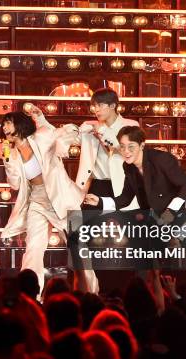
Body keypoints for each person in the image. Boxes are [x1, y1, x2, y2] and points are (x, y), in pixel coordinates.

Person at [84, 126, 186, 263]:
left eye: (131, 147)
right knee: (164, 259)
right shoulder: (129, 167)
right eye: (123, 147)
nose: (126, 152)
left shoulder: (161, 159)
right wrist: (99, 201)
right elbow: (125, 198)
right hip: (163, 217)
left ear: (142, 145)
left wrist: (171, 210)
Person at [0, 107, 84, 293]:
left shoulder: (41, 137)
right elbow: (14, 184)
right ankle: (30, 295)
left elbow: (61, 133)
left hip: (61, 198)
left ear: (19, 124)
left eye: (8, 122)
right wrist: (6, 160)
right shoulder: (12, 154)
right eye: (3, 124)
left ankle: (89, 293)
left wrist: (45, 121)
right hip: (37, 200)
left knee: (79, 250)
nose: (5, 127)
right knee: (33, 249)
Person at [64, 88, 139, 292]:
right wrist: (71, 131)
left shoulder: (131, 126)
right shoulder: (90, 127)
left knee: (130, 238)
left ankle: (130, 290)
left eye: (100, 105)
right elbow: (67, 141)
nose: (96, 109)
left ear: (113, 105)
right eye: (94, 106)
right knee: (78, 234)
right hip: (95, 185)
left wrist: (102, 132)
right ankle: (84, 287)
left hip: (122, 188)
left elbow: (125, 150)